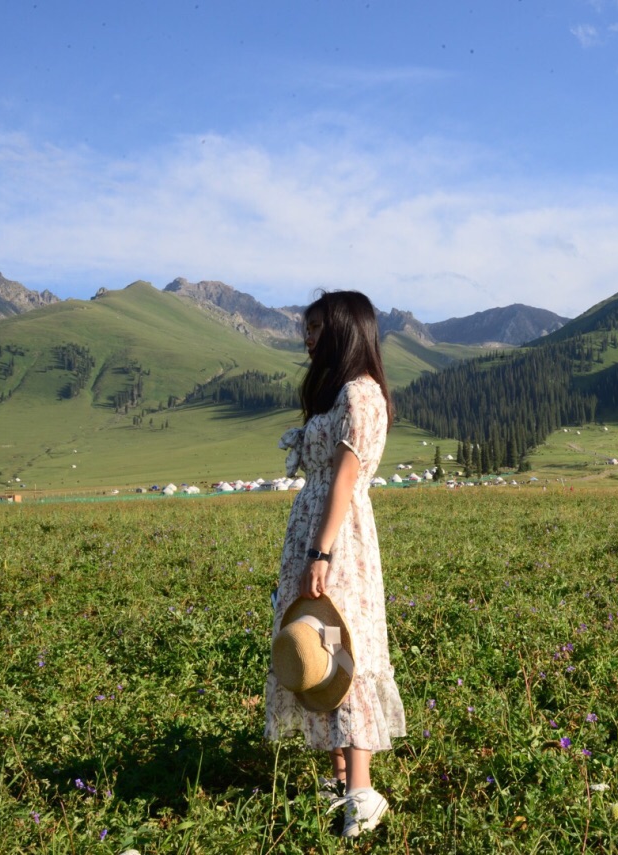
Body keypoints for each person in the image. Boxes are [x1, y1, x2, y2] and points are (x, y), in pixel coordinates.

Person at [265, 290, 406, 838]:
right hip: (316, 528)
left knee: (345, 649)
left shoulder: (360, 394)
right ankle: (341, 778)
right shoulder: (338, 394)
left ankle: (361, 794)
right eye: (308, 327)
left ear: (347, 330)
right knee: (318, 649)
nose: (309, 337)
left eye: (319, 327)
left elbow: (346, 478)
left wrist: (321, 551)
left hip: (337, 533)